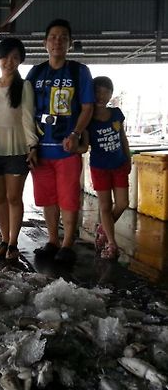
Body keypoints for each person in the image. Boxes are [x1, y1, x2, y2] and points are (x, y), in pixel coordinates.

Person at [26, 19, 94, 264]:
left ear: (69, 43)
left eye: (63, 37)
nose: (57, 41)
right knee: (47, 199)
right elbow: (25, 110)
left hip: (67, 149)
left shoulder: (79, 71)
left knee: (68, 198)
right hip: (41, 150)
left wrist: (76, 134)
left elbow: (87, 107)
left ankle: (67, 244)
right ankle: (53, 240)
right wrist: (30, 145)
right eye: (53, 37)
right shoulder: (35, 73)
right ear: (45, 43)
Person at [0, 37, 38, 261]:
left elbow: (27, 119)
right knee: (0, 198)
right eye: (5, 56)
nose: (9, 61)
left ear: (20, 60)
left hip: (17, 150)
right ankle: (4, 239)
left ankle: (14, 242)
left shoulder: (24, 86)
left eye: (15, 57)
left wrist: (33, 146)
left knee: (14, 197)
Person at [86, 76, 131, 260]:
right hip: (100, 168)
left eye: (106, 92)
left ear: (111, 94)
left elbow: (123, 138)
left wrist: (128, 159)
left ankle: (103, 229)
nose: (101, 96)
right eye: (97, 91)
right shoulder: (88, 119)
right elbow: (85, 145)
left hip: (119, 165)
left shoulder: (116, 114)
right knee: (105, 205)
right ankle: (111, 243)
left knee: (122, 203)